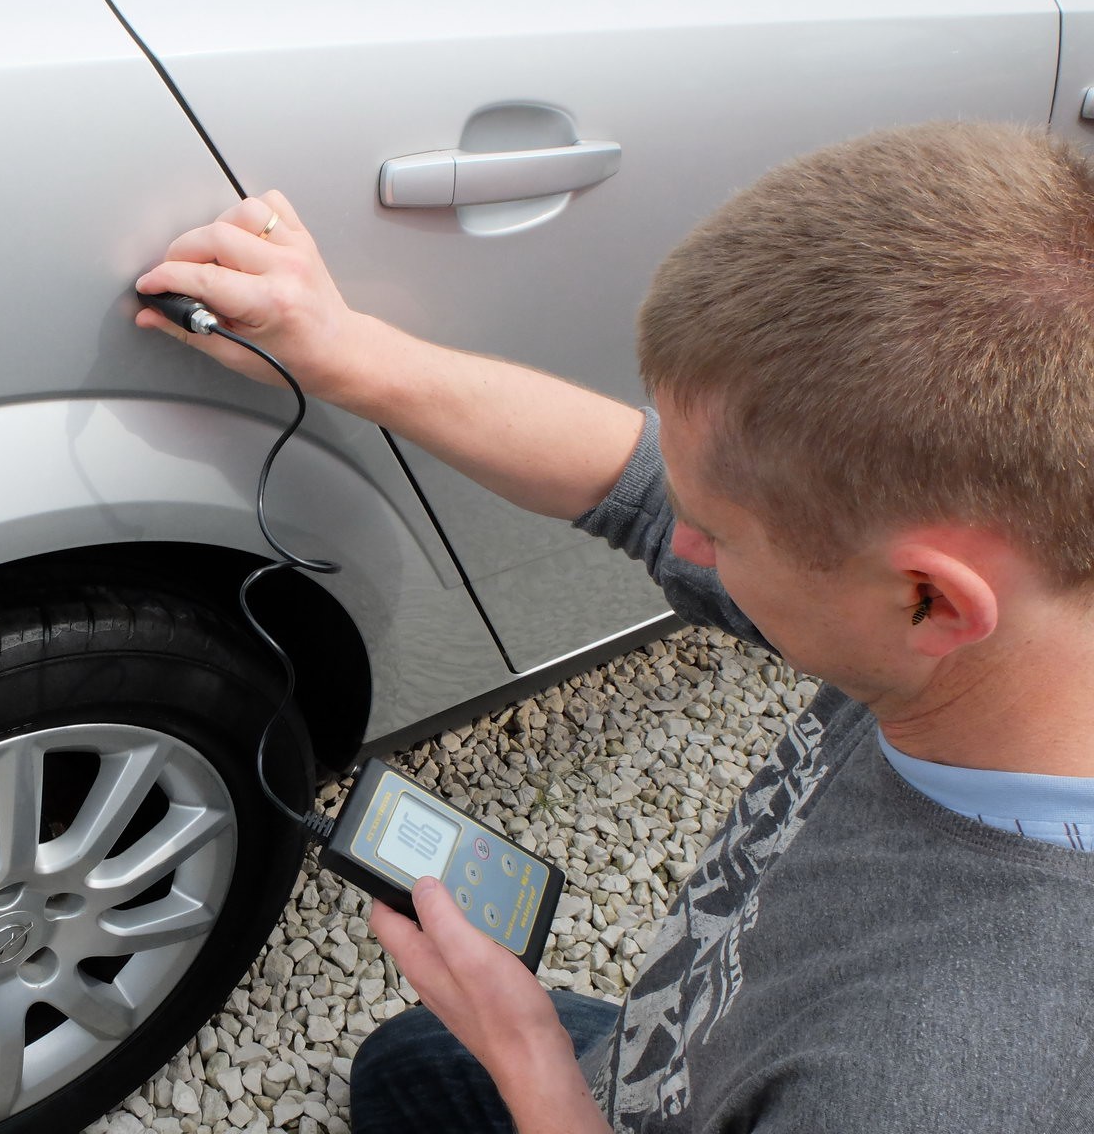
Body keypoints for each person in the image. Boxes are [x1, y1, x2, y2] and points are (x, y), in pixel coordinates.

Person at [134, 122, 1094, 1132]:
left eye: (715, 532)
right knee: (409, 1059)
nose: (678, 538)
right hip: (678, 1054)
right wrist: (340, 349)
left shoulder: (940, 1082)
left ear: (932, 599)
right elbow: (628, 483)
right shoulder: (1014, 609)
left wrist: (531, 1060)